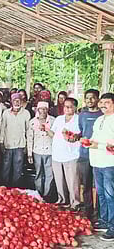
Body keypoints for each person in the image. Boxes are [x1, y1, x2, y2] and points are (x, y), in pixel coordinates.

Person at [87, 93, 114, 241]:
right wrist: (85, 141)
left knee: (111, 196)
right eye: (102, 102)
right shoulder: (99, 119)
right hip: (96, 162)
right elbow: (94, 138)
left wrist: (100, 146)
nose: (103, 105)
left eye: (107, 102)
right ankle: (104, 221)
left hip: (110, 163)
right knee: (101, 194)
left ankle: (113, 227)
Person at [47, 97, 81, 211]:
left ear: (75, 107)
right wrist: (46, 130)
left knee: (72, 181)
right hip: (57, 154)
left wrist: (74, 136)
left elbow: (80, 135)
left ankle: (75, 203)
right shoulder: (59, 119)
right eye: (65, 106)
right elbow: (53, 134)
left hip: (71, 155)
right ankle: (62, 200)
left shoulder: (78, 119)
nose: (67, 109)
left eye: (70, 106)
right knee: (59, 180)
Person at [78, 89, 102, 218]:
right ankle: (87, 210)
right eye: (87, 98)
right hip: (84, 154)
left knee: (98, 185)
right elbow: (81, 131)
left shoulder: (102, 114)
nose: (90, 100)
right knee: (86, 183)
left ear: (97, 99)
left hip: (99, 154)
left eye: (93, 98)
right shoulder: (82, 114)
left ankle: (98, 211)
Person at [0, 92, 31, 188]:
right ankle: (4, 190)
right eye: (14, 100)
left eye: (18, 101)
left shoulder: (26, 113)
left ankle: (15, 190)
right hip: (8, 144)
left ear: (21, 102)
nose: (17, 103)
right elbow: (2, 128)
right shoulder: (6, 113)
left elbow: (28, 130)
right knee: (5, 168)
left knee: (18, 169)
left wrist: (27, 146)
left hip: (20, 145)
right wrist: (1, 142)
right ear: (11, 102)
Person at [27, 101, 55, 200]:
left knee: (49, 174)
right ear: (37, 110)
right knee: (38, 173)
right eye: (41, 109)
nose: (42, 111)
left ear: (48, 110)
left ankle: (47, 195)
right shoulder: (33, 122)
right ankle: (38, 194)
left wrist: (47, 130)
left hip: (50, 151)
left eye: (45, 109)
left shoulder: (53, 120)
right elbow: (30, 138)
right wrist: (29, 153)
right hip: (37, 151)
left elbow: (56, 136)